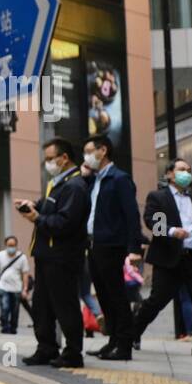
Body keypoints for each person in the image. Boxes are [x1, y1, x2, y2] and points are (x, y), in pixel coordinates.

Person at [18, 139, 90, 368]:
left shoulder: (75, 186)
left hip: (62, 257)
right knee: (42, 307)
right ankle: (46, 348)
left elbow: (65, 222)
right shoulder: (57, 184)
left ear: (64, 158)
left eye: (50, 159)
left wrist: (38, 218)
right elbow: (50, 209)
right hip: (46, 255)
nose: (47, 163)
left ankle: (73, 353)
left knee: (65, 306)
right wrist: (33, 206)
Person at [132, 158, 192, 357]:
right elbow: (151, 222)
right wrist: (171, 231)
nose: (186, 173)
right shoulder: (159, 197)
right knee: (157, 300)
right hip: (169, 259)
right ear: (169, 174)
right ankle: (132, 333)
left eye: (189, 170)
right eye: (181, 169)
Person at [81, 135, 143, 361]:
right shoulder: (95, 180)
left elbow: (131, 215)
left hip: (111, 245)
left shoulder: (119, 179)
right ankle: (113, 342)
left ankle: (124, 345)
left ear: (103, 150)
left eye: (89, 151)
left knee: (117, 296)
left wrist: (134, 248)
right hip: (94, 245)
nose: (86, 156)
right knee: (104, 296)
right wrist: (86, 178)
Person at [0, 236, 30, 335]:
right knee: (5, 306)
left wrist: (25, 289)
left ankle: (13, 328)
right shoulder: (0, 255)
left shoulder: (22, 257)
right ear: (5, 245)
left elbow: (25, 274)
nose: (11, 247)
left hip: (16, 288)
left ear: (16, 246)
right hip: (3, 286)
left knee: (15, 310)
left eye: (13, 245)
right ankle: (5, 327)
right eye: (9, 245)